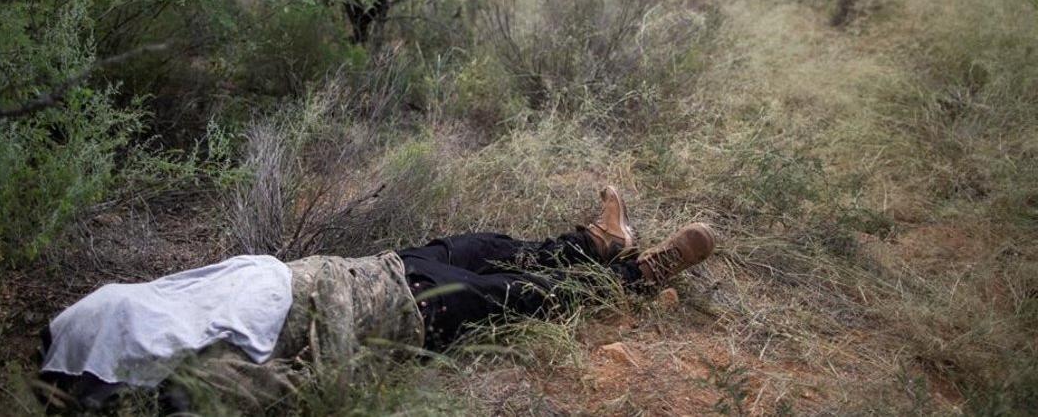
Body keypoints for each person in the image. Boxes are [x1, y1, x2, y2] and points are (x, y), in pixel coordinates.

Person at [35, 187, 716, 413]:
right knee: (516, 293)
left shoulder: (169, 304)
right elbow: (291, 385)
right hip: (405, 310)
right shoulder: (193, 380)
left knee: (485, 243)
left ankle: (598, 241)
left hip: (369, 266)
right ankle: (638, 276)